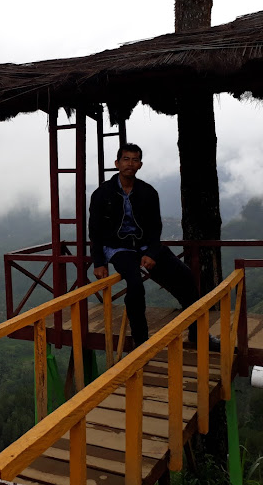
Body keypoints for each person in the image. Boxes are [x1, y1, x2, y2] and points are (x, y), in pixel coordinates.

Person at [89, 143, 220, 350]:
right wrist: (99, 262)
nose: (130, 164)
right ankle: (141, 342)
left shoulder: (148, 192)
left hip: (144, 245)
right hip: (118, 248)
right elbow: (95, 230)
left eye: (134, 160)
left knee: (186, 278)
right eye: (125, 159)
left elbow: (155, 227)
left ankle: (197, 333)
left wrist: (151, 252)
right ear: (117, 163)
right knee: (135, 285)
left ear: (140, 164)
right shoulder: (102, 194)